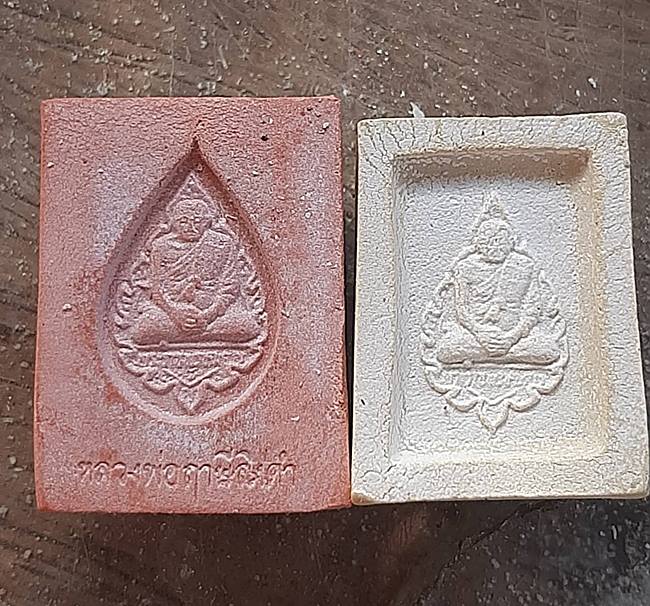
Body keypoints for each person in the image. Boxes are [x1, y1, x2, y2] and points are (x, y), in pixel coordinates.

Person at [435, 201, 561, 366]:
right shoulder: (465, 267)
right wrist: (480, 333)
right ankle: (506, 356)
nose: (495, 246)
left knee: (549, 349)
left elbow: (532, 309)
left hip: (515, 335)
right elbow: (461, 310)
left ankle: (490, 355)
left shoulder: (524, 265)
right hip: (475, 334)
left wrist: (512, 337)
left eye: (500, 241)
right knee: (446, 350)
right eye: (489, 241)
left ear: (511, 242)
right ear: (479, 243)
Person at [128, 196, 262, 346]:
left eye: (197, 221)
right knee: (143, 329)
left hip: (214, 313)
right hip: (172, 313)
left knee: (246, 325)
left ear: (207, 222)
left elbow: (230, 287)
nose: (191, 227)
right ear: (173, 222)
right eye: (183, 221)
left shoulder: (222, 243)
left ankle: (187, 335)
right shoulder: (161, 246)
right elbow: (156, 288)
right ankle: (205, 335)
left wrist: (208, 315)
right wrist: (174, 313)